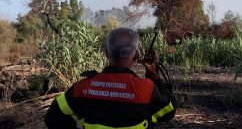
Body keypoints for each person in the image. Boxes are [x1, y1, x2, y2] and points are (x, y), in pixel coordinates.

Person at [45, 28, 176, 129]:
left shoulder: (82, 87)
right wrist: (155, 77)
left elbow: (52, 117)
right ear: (136, 55)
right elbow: (169, 110)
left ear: (106, 53)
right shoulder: (146, 89)